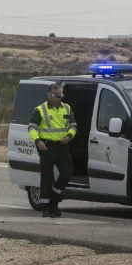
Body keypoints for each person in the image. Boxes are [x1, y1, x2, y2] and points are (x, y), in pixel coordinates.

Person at [28, 83, 77, 218]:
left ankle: (54, 198)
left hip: (62, 147)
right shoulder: (40, 109)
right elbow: (31, 128)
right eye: (56, 95)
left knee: (67, 173)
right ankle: (46, 207)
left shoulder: (67, 108)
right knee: (47, 177)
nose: (59, 98)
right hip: (47, 147)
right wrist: (38, 141)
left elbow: (73, 125)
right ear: (49, 95)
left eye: (61, 95)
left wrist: (69, 136)